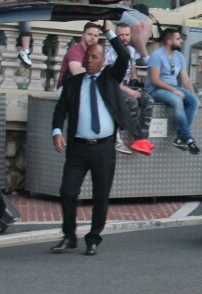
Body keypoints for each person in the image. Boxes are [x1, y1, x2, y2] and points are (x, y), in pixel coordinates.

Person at [49, 26, 137, 256]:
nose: (89, 61)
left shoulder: (110, 78)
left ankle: (94, 238)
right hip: (78, 148)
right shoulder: (74, 84)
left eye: (95, 57)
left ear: (102, 61)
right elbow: (60, 111)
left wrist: (110, 33)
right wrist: (57, 131)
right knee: (67, 192)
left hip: (104, 148)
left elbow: (125, 56)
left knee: (101, 195)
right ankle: (69, 236)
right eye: (87, 56)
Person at [146, 27, 201, 154]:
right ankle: (188, 139)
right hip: (156, 89)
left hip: (172, 87)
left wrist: (193, 95)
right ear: (169, 41)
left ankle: (180, 137)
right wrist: (173, 90)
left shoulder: (179, 56)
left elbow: (186, 79)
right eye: (178, 39)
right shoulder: (156, 55)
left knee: (194, 102)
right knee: (177, 101)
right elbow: (154, 80)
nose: (181, 41)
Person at [104, 21, 154, 156]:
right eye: (121, 35)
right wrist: (130, 91)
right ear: (115, 36)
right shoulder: (108, 53)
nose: (124, 38)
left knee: (148, 99)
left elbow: (132, 71)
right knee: (131, 101)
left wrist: (136, 84)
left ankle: (143, 137)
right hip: (113, 89)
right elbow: (109, 81)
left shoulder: (131, 51)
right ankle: (137, 137)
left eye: (127, 35)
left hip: (127, 86)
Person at [57, 22, 102, 89]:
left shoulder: (94, 53)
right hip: (66, 89)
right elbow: (77, 72)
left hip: (81, 86)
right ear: (83, 35)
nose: (93, 38)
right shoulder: (75, 51)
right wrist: (100, 70)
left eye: (96, 36)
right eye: (90, 34)